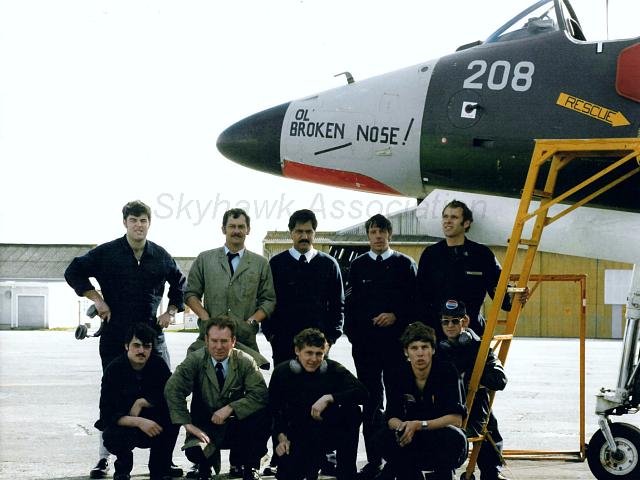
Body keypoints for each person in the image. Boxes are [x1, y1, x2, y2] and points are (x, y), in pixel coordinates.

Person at [64, 200, 186, 479]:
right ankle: (104, 458)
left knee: (164, 394)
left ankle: (163, 460)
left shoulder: (160, 255)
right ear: (125, 223)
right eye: (133, 220)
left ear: (149, 223)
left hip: (151, 338)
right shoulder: (107, 253)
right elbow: (73, 271)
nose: (138, 225)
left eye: (143, 220)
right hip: (115, 336)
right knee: (112, 397)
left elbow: (179, 283)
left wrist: (170, 311)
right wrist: (97, 299)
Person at [184, 207, 275, 478]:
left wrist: (252, 320)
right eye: (232, 226)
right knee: (202, 400)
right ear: (223, 229)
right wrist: (206, 318)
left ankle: (244, 461)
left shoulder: (260, 263)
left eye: (241, 226)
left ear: (248, 230)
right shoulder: (205, 259)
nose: (236, 231)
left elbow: (269, 299)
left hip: (245, 342)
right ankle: (203, 459)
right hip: (209, 342)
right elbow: (190, 293)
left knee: (249, 402)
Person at [344, 213, 417, 479]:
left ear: (389, 234)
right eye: (373, 232)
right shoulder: (358, 266)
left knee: (398, 401)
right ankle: (374, 460)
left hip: (396, 347)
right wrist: (356, 335)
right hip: (366, 348)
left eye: (381, 232)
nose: (377, 236)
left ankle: (396, 459)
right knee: (371, 402)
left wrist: (396, 316)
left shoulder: (405, 264)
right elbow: (349, 307)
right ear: (368, 235)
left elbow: (416, 302)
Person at [165, 316, 270, 480]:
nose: (219, 347)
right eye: (214, 341)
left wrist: (231, 408)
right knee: (194, 451)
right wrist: (187, 424)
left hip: (236, 426)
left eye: (224, 341)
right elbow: (173, 389)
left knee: (263, 416)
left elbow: (260, 394)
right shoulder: (195, 360)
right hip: (205, 426)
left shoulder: (246, 361)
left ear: (233, 341)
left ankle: (250, 466)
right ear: (206, 340)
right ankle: (203, 466)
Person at [416, 199, 525, 339]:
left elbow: (502, 294)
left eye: (454, 217)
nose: (448, 221)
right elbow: (419, 295)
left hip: (472, 332)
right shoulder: (430, 254)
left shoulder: (482, 255)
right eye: (445, 217)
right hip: (436, 333)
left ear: (466, 223)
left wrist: (517, 296)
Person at [268, 328, 367, 480]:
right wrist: (281, 438)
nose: (314, 359)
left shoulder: (333, 369)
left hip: (327, 430)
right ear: (297, 351)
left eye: (319, 354)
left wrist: (330, 398)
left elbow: (363, 393)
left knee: (352, 411)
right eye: (309, 353)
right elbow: (273, 410)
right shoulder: (282, 373)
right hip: (298, 433)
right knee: (288, 474)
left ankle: (346, 472)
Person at [378, 322, 468, 480]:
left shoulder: (447, 371)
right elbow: (391, 416)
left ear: (433, 350)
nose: (420, 353)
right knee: (383, 437)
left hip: (440, 437)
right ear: (406, 352)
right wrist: (404, 427)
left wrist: (419, 425)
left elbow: (456, 419)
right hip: (411, 439)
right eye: (414, 348)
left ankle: (442, 475)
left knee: (453, 436)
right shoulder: (397, 374)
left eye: (424, 347)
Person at [98, 323, 179, 480]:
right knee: (112, 434)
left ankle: (160, 469)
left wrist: (143, 402)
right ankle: (122, 469)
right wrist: (139, 422)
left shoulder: (158, 365)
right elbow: (107, 413)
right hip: (126, 425)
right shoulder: (114, 370)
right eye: (136, 345)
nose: (141, 351)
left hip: (154, 424)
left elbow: (171, 397)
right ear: (126, 346)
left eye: (147, 346)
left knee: (173, 420)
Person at [438, 299, 509, 480]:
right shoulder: (438, 350)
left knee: (488, 424)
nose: (450, 326)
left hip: (474, 411)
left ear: (465, 321)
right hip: (444, 410)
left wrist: (470, 373)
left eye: (455, 321)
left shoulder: (480, 348)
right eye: (445, 321)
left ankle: (491, 472)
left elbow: (500, 380)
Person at [263, 209, 344, 365]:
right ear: (291, 233)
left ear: (315, 233)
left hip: (318, 346)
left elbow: (338, 305)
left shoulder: (329, 265)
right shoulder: (276, 264)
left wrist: (330, 339)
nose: (304, 236)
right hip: (283, 344)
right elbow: (267, 300)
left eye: (309, 231)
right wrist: (271, 335)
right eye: (299, 231)